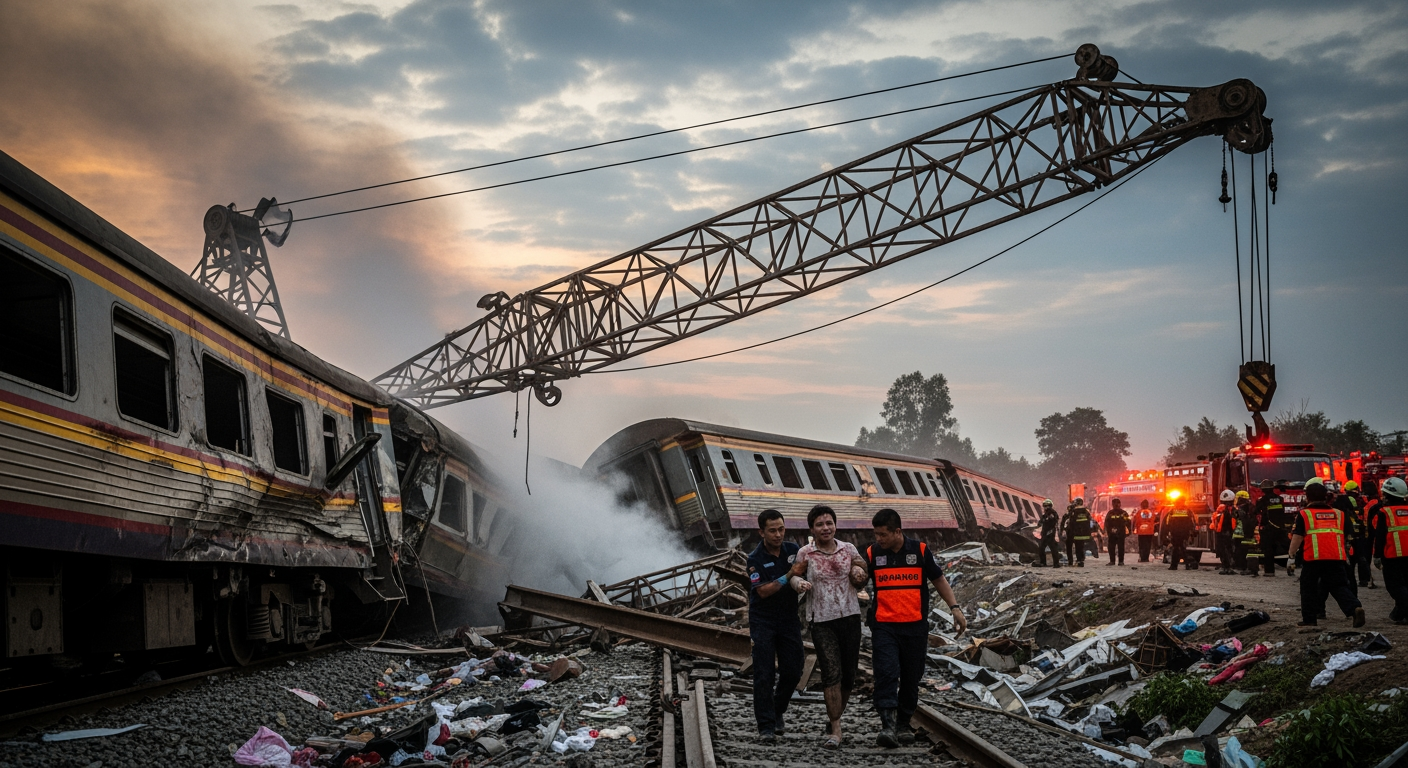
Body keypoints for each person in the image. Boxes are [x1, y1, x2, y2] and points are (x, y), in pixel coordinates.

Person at [864, 508, 966, 749]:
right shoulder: (872, 553)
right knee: (886, 673)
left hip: (914, 627)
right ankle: (887, 725)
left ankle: (903, 724)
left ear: (897, 531)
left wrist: (955, 608)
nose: (878, 539)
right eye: (876, 534)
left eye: (883, 535)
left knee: (911, 676)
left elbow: (939, 578)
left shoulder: (919, 551)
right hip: (884, 625)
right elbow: (857, 578)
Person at [788, 506, 867, 749]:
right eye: (820, 524)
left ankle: (835, 716)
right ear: (812, 529)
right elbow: (792, 575)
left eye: (829, 523)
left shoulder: (848, 549)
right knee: (831, 672)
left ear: (835, 525)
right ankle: (835, 728)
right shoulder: (806, 553)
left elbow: (864, 571)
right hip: (821, 620)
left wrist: (858, 573)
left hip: (850, 617)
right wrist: (799, 583)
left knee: (849, 674)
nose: (826, 528)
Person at [746, 509, 804, 742]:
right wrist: (790, 574)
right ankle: (767, 727)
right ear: (762, 532)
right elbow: (763, 591)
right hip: (763, 619)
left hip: (789, 618)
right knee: (764, 673)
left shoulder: (793, 551)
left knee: (793, 669)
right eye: (772, 530)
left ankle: (777, 709)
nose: (778, 534)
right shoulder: (755, 558)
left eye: (781, 529)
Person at [1289, 477, 1365, 628]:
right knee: (1339, 586)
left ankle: (1310, 619)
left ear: (1307, 497)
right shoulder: (1339, 514)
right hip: (1336, 556)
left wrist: (1291, 556)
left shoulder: (1304, 514)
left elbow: (1297, 537)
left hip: (1313, 558)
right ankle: (1354, 608)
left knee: (1308, 588)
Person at [1370, 477, 1408, 624]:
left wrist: (1376, 556)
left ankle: (1404, 613)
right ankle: (1398, 614)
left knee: (1395, 587)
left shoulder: (1384, 513)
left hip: (1392, 556)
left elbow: (1380, 536)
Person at [1339, 481, 1375, 589]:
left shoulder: (1343, 500)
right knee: (1361, 557)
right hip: (1360, 531)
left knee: (1349, 558)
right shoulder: (1363, 500)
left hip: (1348, 532)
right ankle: (1364, 580)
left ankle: (1348, 579)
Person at [1256, 479, 1292, 576]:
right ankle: (1293, 565)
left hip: (1268, 528)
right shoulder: (1280, 499)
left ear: (1263, 489)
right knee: (1287, 547)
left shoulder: (1262, 500)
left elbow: (1255, 512)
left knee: (1268, 550)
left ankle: (1269, 571)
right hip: (1280, 528)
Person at [1165, 496, 1195, 570]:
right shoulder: (1187, 510)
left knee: (1175, 549)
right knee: (1183, 548)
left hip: (1175, 532)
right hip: (1184, 532)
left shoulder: (1173, 510)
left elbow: (1168, 522)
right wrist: (1191, 532)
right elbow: (1192, 522)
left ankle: (1174, 566)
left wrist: (1169, 532)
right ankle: (1187, 565)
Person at [1213, 490, 1238, 574]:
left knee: (1222, 550)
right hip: (1228, 532)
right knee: (1229, 550)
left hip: (1220, 533)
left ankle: (1226, 567)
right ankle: (1229, 567)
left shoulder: (1219, 510)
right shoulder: (1233, 510)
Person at [1103, 498, 1131, 566]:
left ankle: (1113, 561)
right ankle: (1120, 562)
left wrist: (1108, 531)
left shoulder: (1111, 513)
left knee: (1113, 547)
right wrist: (1129, 531)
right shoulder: (1123, 513)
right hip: (1119, 533)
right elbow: (1128, 523)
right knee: (1118, 547)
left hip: (1115, 533)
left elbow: (1106, 523)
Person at [1036, 499, 1062, 567]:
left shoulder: (1052, 513)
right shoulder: (1046, 514)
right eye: (1045, 506)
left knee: (1052, 548)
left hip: (1049, 533)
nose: (1045, 507)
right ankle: (1044, 562)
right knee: (1042, 548)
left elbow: (1053, 522)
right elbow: (1041, 522)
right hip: (1045, 533)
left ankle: (1056, 564)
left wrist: (1049, 532)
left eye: (1046, 506)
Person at [1067, 498, 1093, 567]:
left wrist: (1070, 532)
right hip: (1084, 533)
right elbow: (1090, 521)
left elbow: (1071, 523)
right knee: (1081, 546)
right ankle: (1081, 559)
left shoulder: (1074, 512)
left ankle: (1079, 561)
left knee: (1078, 547)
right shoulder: (1086, 511)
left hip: (1077, 533)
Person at [1060, 502, 1076, 567]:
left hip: (1069, 533)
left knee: (1069, 548)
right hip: (1075, 533)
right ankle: (1079, 560)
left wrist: (1061, 532)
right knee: (1078, 548)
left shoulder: (1066, 515)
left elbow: (1062, 524)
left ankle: (1071, 561)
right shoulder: (1076, 515)